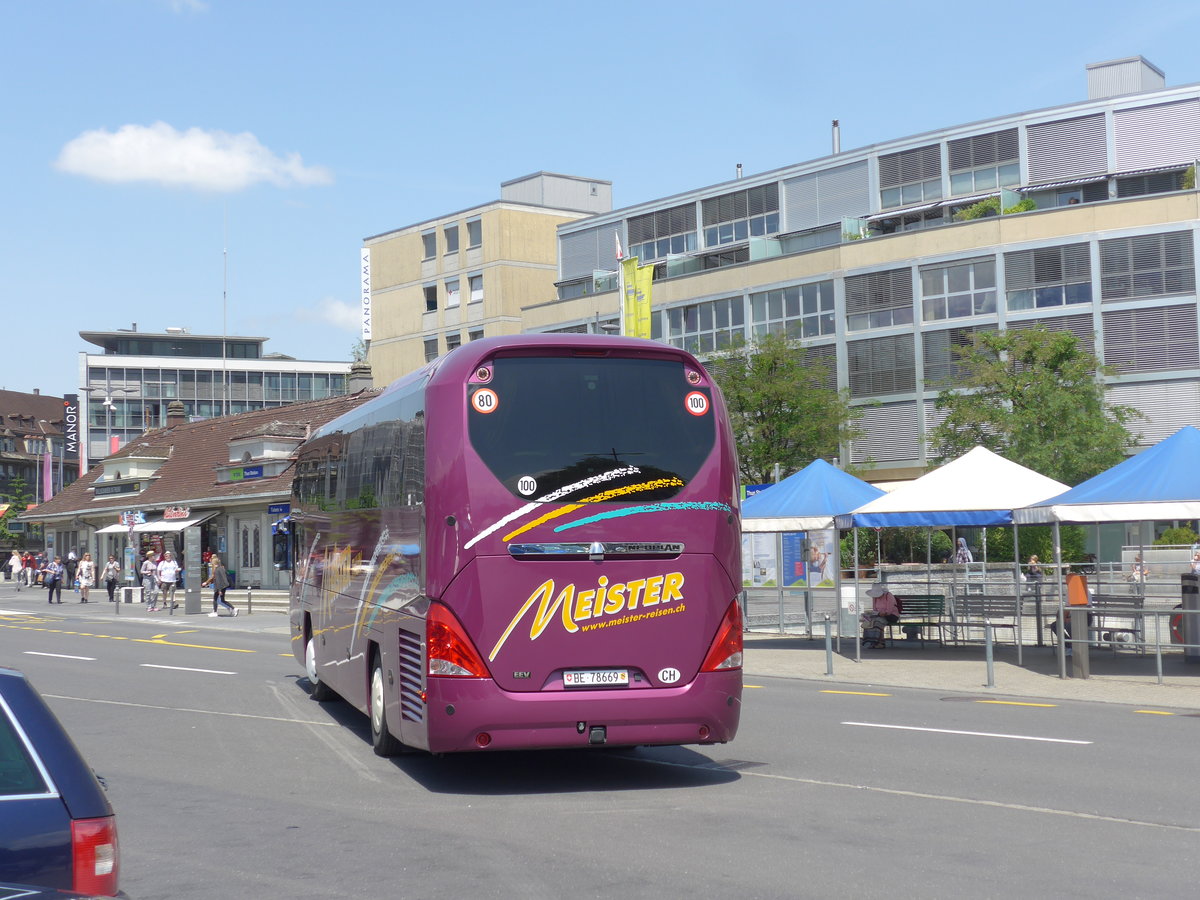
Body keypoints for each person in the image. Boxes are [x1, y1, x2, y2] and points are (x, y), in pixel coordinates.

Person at [862, 582, 902, 649]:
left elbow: (889, 611)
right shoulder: (875, 597)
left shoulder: (888, 595)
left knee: (877, 622)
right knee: (869, 622)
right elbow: (874, 609)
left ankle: (880, 643)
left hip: (891, 616)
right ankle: (871, 641)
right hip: (879, 615)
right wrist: (872, 613)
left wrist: (881, 613)